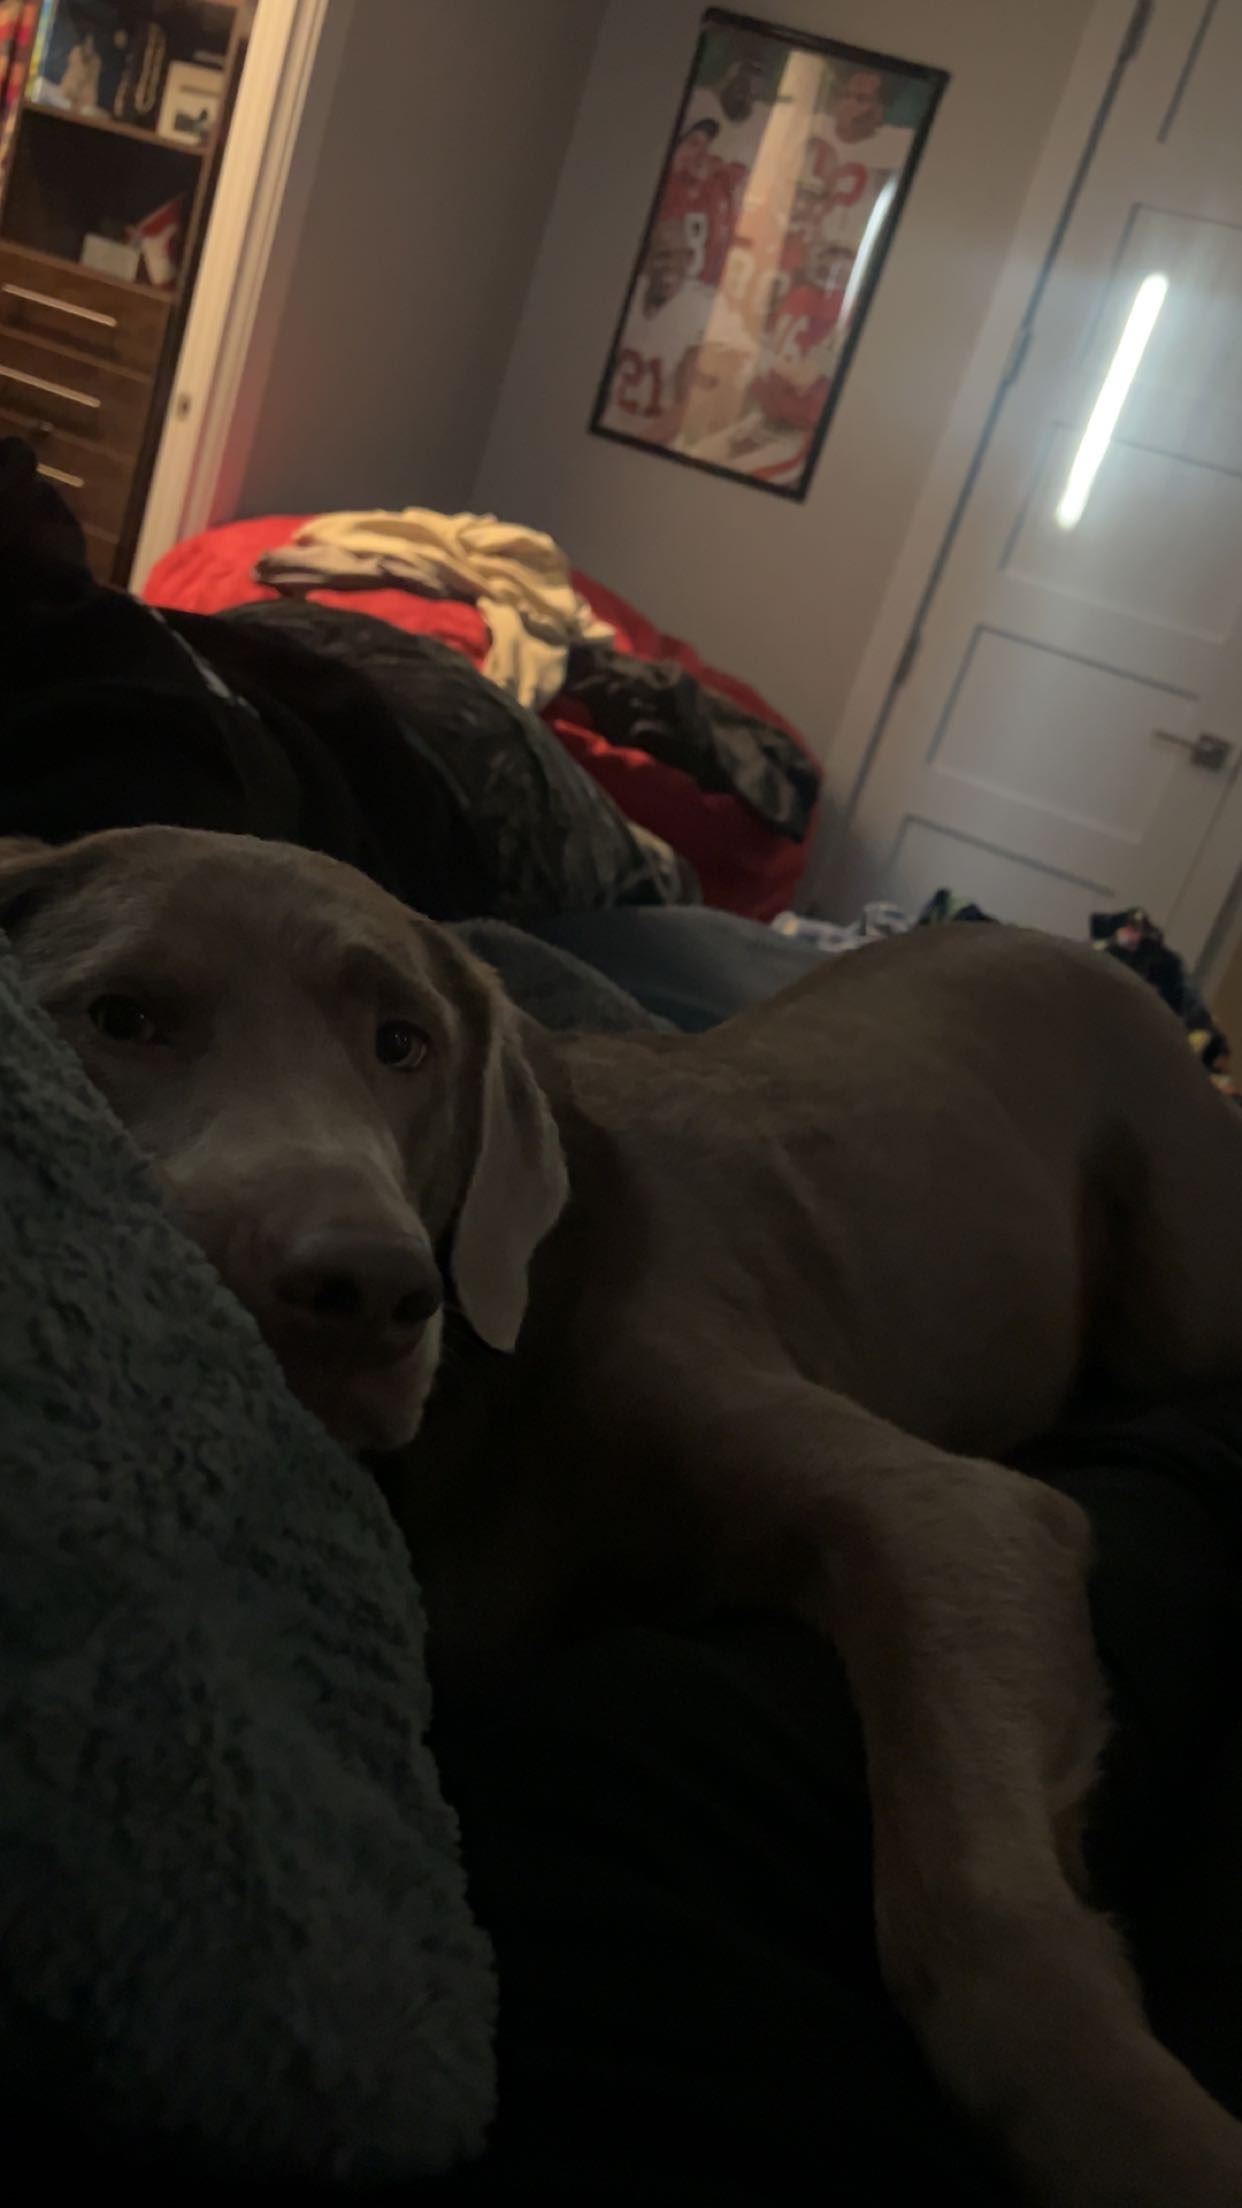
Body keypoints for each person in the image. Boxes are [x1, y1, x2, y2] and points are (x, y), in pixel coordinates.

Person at [600, 223, 710, 445]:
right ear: (647, 260)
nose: (671, 264)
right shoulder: (630, 293)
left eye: (679, 256)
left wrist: (636, 443)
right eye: (662, 255)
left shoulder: (696, 308)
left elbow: (684, 407)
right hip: (608, 425)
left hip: (652, 440)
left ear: (689, 259)